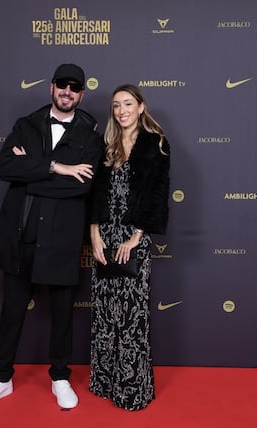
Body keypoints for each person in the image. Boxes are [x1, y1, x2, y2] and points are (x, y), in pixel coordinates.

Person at [0, 64, 101, 410]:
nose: (68, 91)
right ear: (52, 87)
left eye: (75, 87)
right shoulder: (25, 125)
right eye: (63, 85)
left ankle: (60, 377)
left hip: (62, 239)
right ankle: (1, 379)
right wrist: (57, 167)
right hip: (21, 234)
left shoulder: (90, 134)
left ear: (82, 94)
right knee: (12, 312)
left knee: (62, 315)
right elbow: (4, 167)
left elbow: (82, 186)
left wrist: (29, 170)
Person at [89, 84, 170, 411]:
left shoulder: (156, 145)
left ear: (140, 107)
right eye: (116, 105)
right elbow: (94, 193)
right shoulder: (106, 145)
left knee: (132, 318)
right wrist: (94, 233)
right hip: (104, 238)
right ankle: (104, 382)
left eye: (127, 104)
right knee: (105, 315)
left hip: (134, 237)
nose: (121, 110)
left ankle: (132, 390)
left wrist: (136, 237)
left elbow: (158, 194)